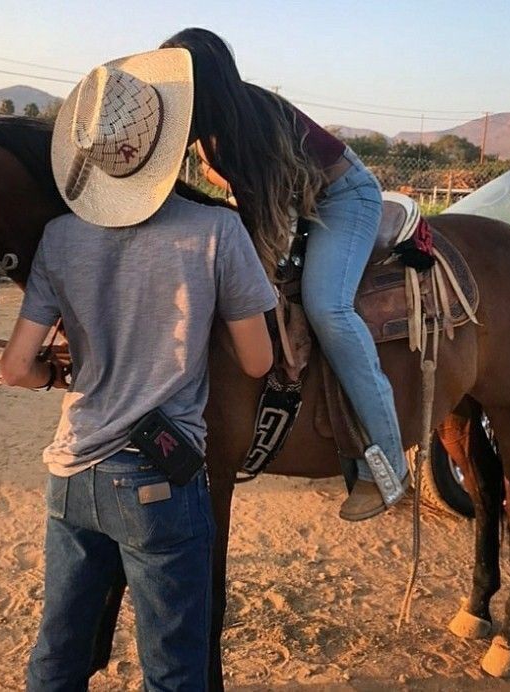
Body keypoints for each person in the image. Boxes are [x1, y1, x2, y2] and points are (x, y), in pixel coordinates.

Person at [0, 48, 277, 691]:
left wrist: (56, 377)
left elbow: (16, 368)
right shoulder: (217, 232)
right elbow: (259, 359)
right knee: (175, 673)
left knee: (57, 658)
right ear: (168, 144)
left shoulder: (61, 238)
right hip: (160, 483)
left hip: (72, 474)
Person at [160, 28, 408, 521]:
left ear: (202, 85)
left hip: (343, 198)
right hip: (296, 198)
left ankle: (389, 461)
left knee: (327, 306)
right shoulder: (205, 129)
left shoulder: (245, 126)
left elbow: (267, 221)